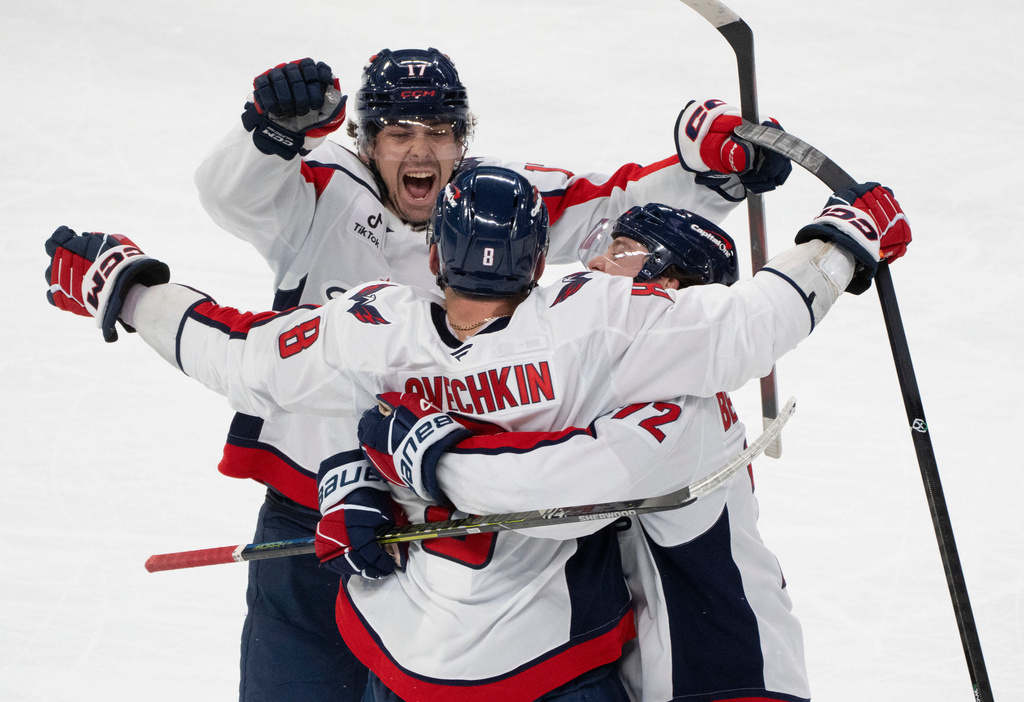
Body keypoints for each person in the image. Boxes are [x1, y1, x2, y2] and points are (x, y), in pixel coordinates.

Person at [44, 161, 909, 700]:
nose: (610, 262)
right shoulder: (600, 332)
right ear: (540, 263)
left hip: (713, 674)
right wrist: (841, 242)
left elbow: (550, 496)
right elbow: (759, 319)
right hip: (557, 663)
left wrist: (127, 290)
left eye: (636, 259)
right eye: (607, 252)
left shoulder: (656, 384)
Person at [192, 47, 793, 700]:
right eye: (399, 133)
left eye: (440, 131)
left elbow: (613, 211)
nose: (421, 153)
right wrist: (268, 131)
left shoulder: (491, 204)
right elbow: (230, 194)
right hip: (306, 514)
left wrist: (711, 176)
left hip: (428, 516)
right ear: (365, 139)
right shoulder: (317, 189)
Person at [357, 200, 902, 700]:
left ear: (667, 287)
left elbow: (551, 494)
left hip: (726, 679)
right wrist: (355, 479)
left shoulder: (682, 411)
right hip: (647, 676)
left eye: (619, 253)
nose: (593, 266)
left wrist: (427, 452)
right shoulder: (600, 383)